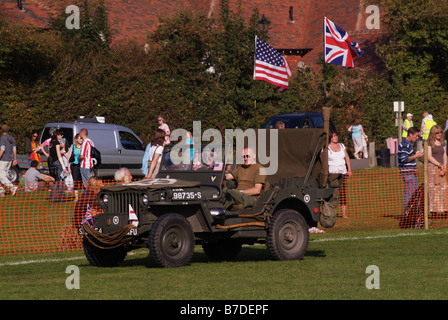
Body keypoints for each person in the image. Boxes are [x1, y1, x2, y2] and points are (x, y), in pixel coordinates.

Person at [398, 127, 424, 213]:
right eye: (416, 136)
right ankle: (406, 213)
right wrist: (416, 156)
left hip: (411, 172)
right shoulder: (405, 144)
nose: (417, 138)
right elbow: (403, 159)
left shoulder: (409, 144)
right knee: (410, 194)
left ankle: (409, 213)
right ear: (410, 134)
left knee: (412, 194)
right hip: (408, 172)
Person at [327, 130, 352, 218]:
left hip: (343, 172)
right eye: (334, 136)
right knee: (333, 192)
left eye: (336, 136)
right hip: (332, 173)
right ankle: (330, 211)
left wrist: (349, 170)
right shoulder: (327, 148)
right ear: (330, 138)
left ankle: (344, 214)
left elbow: (347, 158)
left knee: (343, 192)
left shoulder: (342, 145)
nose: (336, 137)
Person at [426, 125, 448, 214]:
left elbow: (445, 155)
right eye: (437, 133)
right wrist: (438, 164)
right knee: (433, 188)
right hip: (433, 167)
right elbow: (429, 156)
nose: (439, 134)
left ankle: (445, 209)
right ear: (433, 133)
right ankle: (433, 210)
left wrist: (444, 166)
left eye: (440, 132)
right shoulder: (429, 143)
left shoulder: (442, 143)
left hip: (442, 167)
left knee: (444, 188)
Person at [0, 124, 18, 197]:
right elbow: (14, 149)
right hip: (10, 159)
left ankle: (12, 187)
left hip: (3, 159)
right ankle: (2, 191)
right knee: (4, 176)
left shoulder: (3, 138)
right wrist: (15, 159)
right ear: (8, 130)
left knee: (1, 176)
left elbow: (2, 149)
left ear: (1, 130)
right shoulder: (12, 138)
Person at [66, 134, 83, 201]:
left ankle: (82, 196)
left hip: (82, 165)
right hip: (75, 166)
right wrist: (69, 168)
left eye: (81, 139)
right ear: (76, 139)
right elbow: (69, 158)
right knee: (75, 181)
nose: (81, 140)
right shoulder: (72, 147)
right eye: (79, 138)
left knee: (82, 181)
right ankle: (76, 197)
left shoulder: (83, 146)